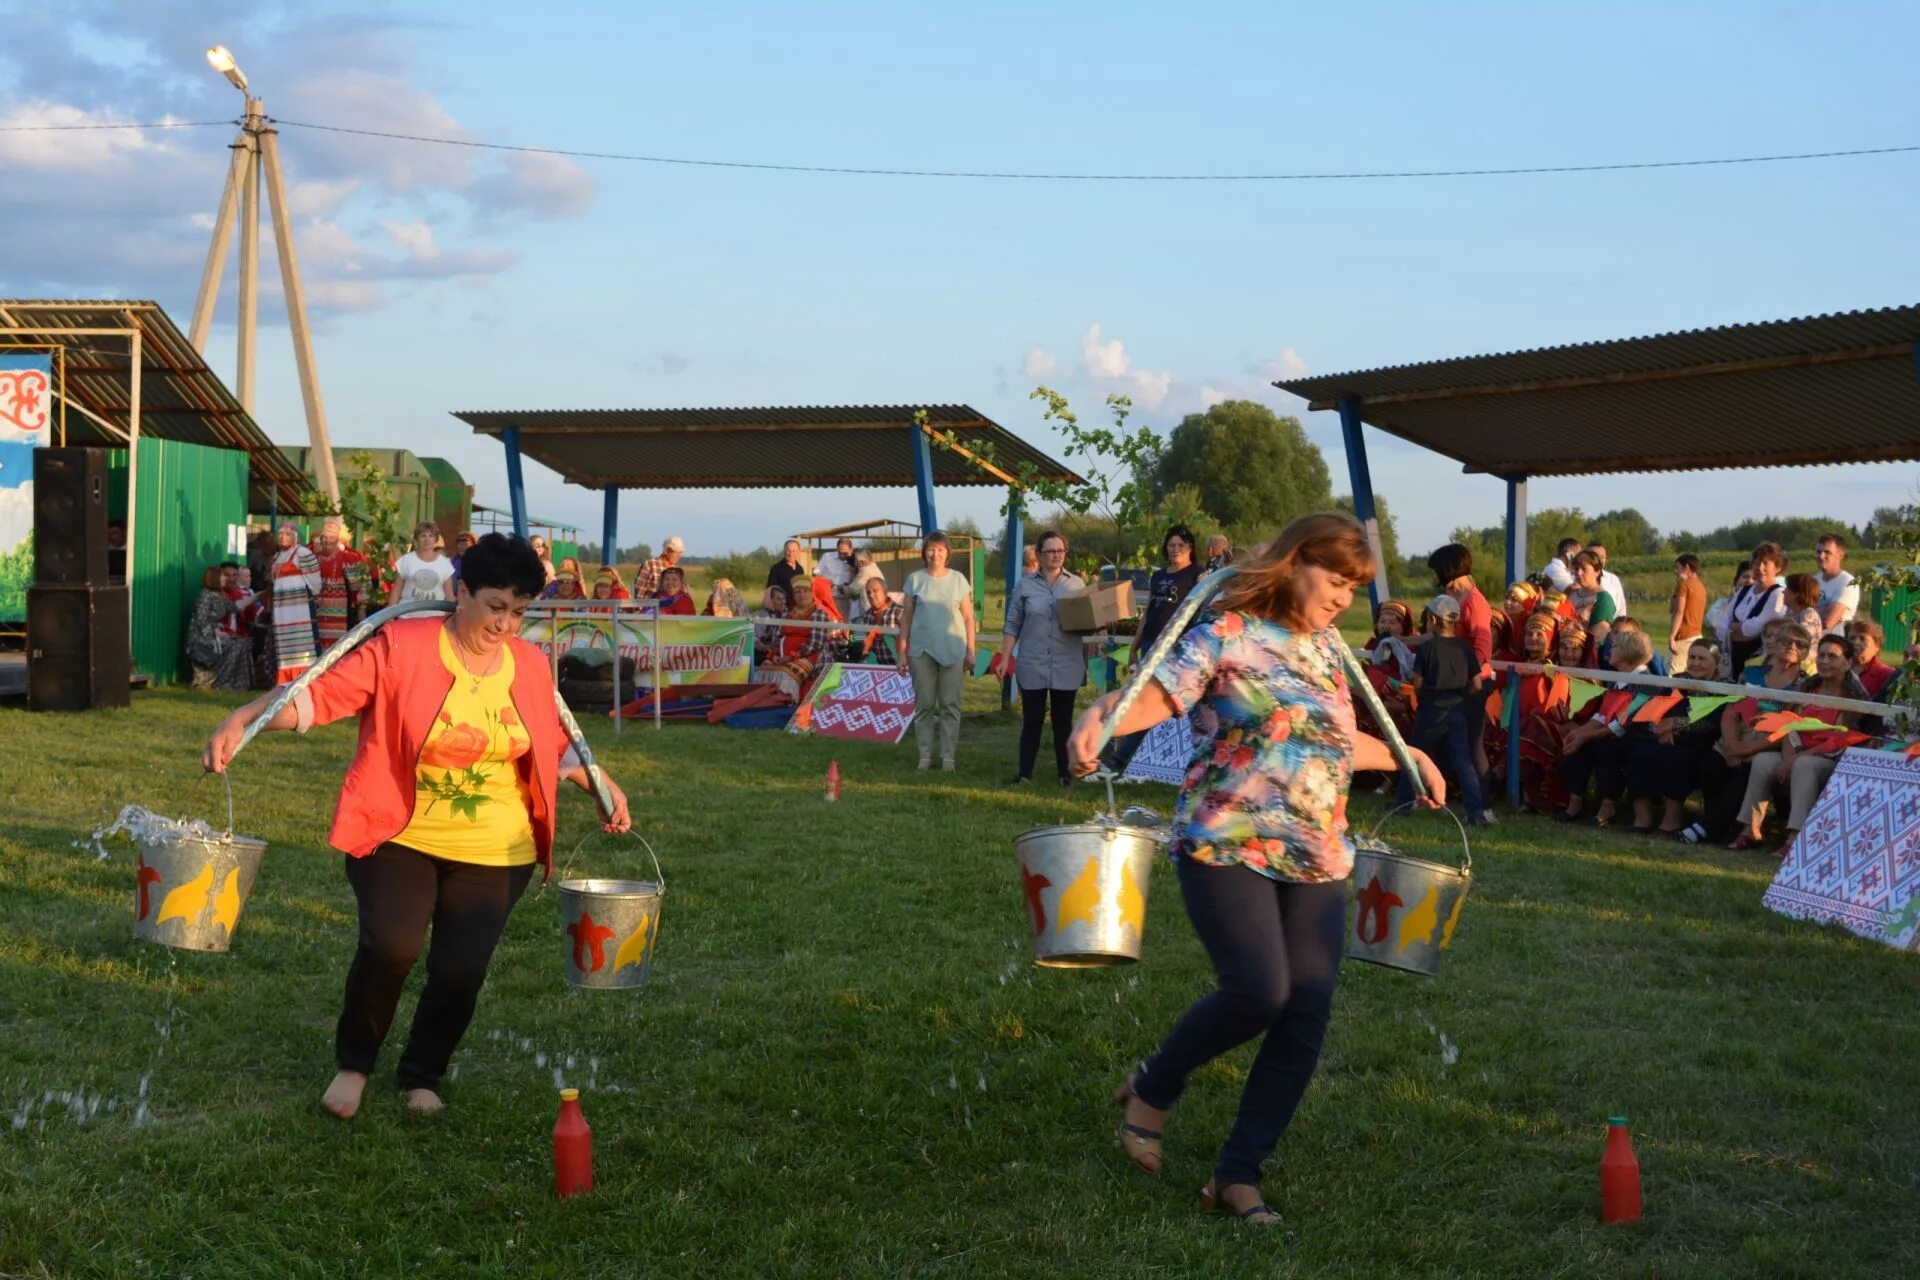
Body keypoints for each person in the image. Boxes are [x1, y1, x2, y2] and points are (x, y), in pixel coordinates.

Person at [1064, 513, 1444, 1227]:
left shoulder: (1330, 649)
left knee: (1306, 1011)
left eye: (1352, 588)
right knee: (1260, 990)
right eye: (1334, 580)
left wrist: (1404, 755)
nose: (1341, 598)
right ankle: (1154, 1085)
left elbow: (1326, 739)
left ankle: (1238, 1175)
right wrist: (1103, 713)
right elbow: (1157, 691)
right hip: (1226, 841)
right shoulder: (1226, 636)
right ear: (1295, 562)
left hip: (1319, 854)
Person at [201, 533, 633, 1120]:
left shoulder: (529, 665)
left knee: (460, 970)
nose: (507, 624)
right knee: (392, 945)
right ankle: (354, 1064)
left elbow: (551, 741)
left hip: (495, 849)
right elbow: (320, 696)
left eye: (520, 611)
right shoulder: (401, 646)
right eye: (495, 607)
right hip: (397, 833)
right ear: (460, 592)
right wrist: (245, 717)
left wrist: (602, 785)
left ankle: (422, 1073)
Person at [1731, 632, 1871, 855]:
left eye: (1832, 657)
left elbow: (1838, 741)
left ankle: (1796, 838)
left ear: (1848, 662)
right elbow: (1789, 724)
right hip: (1797, 752)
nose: (1824, 661)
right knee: (1764, 760)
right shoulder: (1808, 688)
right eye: (1822, 655)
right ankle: (1751, 829)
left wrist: (1795, 760)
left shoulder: (1855, 697)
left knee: (1804, 766)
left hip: (1830, 759)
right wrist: (1788, 758)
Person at [1002, 530, 1087, 788]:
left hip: (1066, 664)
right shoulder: (1025, 585)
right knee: (1032, 722)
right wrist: (1005, 658)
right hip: (1033, 663)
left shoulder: (1076, 585)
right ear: (1038, 555)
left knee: (1063, 723)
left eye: (1060, 551)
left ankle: (1065, 775)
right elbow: (1013, 623)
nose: (1056, 555)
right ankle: (1025, 774)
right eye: (1050, 551)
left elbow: (1086, 622)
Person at [1399, 594, 1488, 822]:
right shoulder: (1465, 648)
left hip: (1431, 711)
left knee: (1414, 757)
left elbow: (1417, 683)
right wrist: (1461, 696)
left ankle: (1403, 804)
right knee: (1462, 761)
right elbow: (1477, 684)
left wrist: (1422, 694)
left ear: (1434, 620)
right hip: (1457, 711)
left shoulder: (1427, 648)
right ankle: (1475, 812)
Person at [1556, 629, 1655, 827]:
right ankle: (1575, 802)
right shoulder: (1616, 679)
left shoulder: (1646, 682)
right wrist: (1578, 734)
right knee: (1576, 744)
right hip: (1609, 732)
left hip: (1635, 737)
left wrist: (1587, 737)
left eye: (1615, 646)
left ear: (1628, 652)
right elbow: (1602, 715)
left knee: (1607, 750)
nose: (1610, 650)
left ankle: (1607, 806)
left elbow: (1622, 725)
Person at [1630, 639, 1727, 836]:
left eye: (1702, 659)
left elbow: (1712, 723)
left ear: (1715, 663)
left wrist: (1675, 725)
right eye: (1692, 657)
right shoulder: (1678, 680)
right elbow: (1656, 707)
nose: (1695, 663)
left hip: (1701, 742)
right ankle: (1643, 815)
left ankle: (1672, 819)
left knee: (1680, 757)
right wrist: (1661, 728)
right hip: (1663, 736)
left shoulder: (1724, 687)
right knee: (1636, 749)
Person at [897, 530, 976, 771]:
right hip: (921, 653)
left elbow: (969, 618)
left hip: (953, 651)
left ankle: (948, 757)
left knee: (950, 705)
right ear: (924, 552)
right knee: (924, 705)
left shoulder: (959, 580)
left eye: (940, 549)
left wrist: (971, 651)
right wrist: (902, 652)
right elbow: (906, 619)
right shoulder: (914, 580)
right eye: (931, 549)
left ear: (947, 553)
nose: (935, 554)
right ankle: (924, 756)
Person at [1429, 543, 1495, 815]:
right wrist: (1401, 641)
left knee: (1471, 745)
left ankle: (1483, 808)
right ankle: (1435, 797)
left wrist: (1463, 676)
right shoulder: (1455, 600)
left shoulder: (1476, 603)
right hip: (1459, 682)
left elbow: (1482, 649)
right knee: (1449, 743)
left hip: (1473, 683)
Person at [1130, 525, 1203, 669]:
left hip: (1177, 645)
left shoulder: (1198, 574)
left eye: (1181, 545)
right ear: (1166, 548)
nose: (1176, 549)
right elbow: (1147, 613)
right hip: (1149, 642)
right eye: (1171, 545)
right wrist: (1134, 646)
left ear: (1190, 548)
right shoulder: (1158, 575)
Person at [1716, 542, 1787, 672]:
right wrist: (1733, 633)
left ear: (1777, 568)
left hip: (1759, 659)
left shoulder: (1778, 594)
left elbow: (1755, 629)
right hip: (1732, 657)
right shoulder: (1743, 591)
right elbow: (1722, 624)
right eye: (1756, 563)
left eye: (1766, 564)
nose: (1760, 568)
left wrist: (1734, 627)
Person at [761, 578, 834, 701]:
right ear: (793, 596)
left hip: (810, 655)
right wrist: (774, 655)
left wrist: (792, 656)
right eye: (798, 592)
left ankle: (787, 701)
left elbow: (816, 643)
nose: (802, 595)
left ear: (812, 593)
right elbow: (777, 638)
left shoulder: (819, 614)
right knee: (764, 669)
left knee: (787, 672)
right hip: (784, 655)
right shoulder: (786, 614)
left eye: (805, 591)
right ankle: (766, 702)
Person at [268, 521, 323, 685]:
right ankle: (286, 678)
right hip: (282, 607)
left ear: (295, 536)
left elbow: (314, 580)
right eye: (280, 534)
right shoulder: (277, 556)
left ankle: (304, 677)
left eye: (287, 534)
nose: (283, 537)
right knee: (285, 642)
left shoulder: (303, 553)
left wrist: (310, 597)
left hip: (298, 607)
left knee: (301, 640)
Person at [186, 565, 256, 691]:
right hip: (201, 639)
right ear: (215, 578)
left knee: (244, 643)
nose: (225, 578)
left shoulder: (219, 596)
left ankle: (238, 683)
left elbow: (236, 606)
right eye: (223, 575)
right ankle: (217, 682)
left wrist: (257, 596)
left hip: (213, 635)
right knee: (236, 645)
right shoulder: (205, 596)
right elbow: (200, 622)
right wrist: (215, 632)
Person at [314, 519, 372, 656]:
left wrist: (361, 608)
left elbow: (362, 584)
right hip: (316, 612)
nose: (328, 541)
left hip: (340, 615)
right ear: (320, 539)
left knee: (337, 651)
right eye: (325, 537)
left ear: (338, 540)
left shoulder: (349, 558)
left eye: (332, 538)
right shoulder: (312, 558)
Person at [391, 522, 456, 605]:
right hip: (407, 615)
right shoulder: (406, 560)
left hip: (436, 616)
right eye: (423, 536)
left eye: (430, 536)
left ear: (435, 539)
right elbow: (397, 589)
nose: (427, 539)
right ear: (417, 538)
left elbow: (449, 594)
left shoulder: (445, 564)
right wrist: (389, 615)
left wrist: (452, 615)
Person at [1567, 550, 1617, 657]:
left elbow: (1596, 639)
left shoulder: (1603, 599)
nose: (1579, 573)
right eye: (1576, 569)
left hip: (1587, 657)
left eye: (1584, 569)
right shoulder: (1572, 594)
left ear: (1597, 571)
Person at [1669, 554, 1707, 670]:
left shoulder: (1684, 585)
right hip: (1696, 635)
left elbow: (1678, 611)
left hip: (1683, 636)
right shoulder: (1701, 586)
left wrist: (1672, 636)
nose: (1676, 571)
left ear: (1686, 567)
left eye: (1678, 567)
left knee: (1672, 673)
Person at [1815, 532, 1859, 634]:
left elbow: (1829, 622)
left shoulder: (1848, 582)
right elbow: (1798, 612)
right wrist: (1826, 609)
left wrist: (1811, 612)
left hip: (1835, 643)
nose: (1821, 556)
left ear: (1840, 555)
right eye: (1818, 551)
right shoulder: (1814, 580)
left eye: (1827, 552)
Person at [1846, 617, 1898, 698]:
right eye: (1852, 638)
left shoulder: (1887, 675)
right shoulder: (1839, 670)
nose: (1855, 642)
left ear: (1876, 646)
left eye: (1862, 639)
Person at [857, 575, 902, 666]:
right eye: (868, 592)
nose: (871, 595)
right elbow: (861, 642)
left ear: (885, 592)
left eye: (875, 591)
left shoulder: (899, 611)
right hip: (877, 668)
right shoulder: (867, 616)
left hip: (899, 666)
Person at [1783, 574, 1825, 665]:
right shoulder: (1789, 614)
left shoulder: (1809, 615)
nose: (1783, 592)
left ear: (1797, 594)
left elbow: (1800, 643)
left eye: (1787, 589)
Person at [1585, 542, 1629, 621]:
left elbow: (1621, 608)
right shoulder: (1576, 579)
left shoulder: (1613, 579)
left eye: (1602, 557)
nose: (1599, 560)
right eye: (1595, 557)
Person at [816, 537, 858, 618]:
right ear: (836, 548)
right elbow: (816, 573)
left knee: (843, 625)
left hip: (844, 600)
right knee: (827, 624)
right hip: (827, 598)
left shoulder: (855, 560)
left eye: (845, 553)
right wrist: (825, 582)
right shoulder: (827, 556)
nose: (842, 555)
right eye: (840, 552)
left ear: (851, 549)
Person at [751, 585, 789, 664]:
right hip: (760, 652)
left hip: (780, 651)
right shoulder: (759, 616)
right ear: (770, 600)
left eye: (784, 599)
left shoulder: (788, 616)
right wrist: (761, 646)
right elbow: (752, 636)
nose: (783, 602)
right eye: (779, 599)